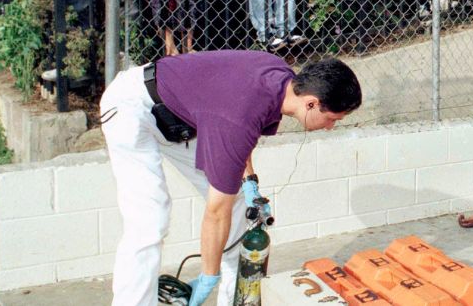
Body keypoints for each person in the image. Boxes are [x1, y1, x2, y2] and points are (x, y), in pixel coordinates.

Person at [99, 52, 362, 306]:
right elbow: (215, 211)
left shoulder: (280, 80)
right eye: (331, 119)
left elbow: (242, 136)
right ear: (311, 103)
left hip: (181, 117)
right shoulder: (240, 116)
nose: (330, 127)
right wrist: (207, 275)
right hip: (132, 107)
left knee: (237, 202)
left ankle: (234, 300)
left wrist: (250, 184)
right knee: (149, 219)